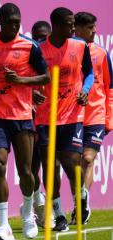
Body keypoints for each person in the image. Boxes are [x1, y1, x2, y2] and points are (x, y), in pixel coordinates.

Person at [0, 3, 49, 239]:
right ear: (1, 22)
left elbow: (46, 76)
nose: (16, 26)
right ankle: (4, 225)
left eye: (18, 22)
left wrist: (21, 81)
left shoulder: (30, 46)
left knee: (27, 172)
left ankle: (27, 214)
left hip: (22, 116)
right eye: (12, 22)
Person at [35, 7, 94, 231]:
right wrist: (34, 93)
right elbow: (31, 77)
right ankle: (59, 214)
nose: (73, 27)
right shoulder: (40, 50)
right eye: (70, 24)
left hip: (72, 115)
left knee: (70, 162)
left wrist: (85, 91)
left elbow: (89, 72)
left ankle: (81, 195)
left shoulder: (80, 46)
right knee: (50, 167)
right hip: (45, 117)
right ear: (57, 26)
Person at [71, 11, 113, 225]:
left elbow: (110, 88)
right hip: (72, 116)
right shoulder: (70, 50)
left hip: (96, 114)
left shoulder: (102, 54)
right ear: (76, 29)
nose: (95, 31)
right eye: (89, 28)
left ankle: (82, 202)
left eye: (95, 27)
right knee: (75, 162)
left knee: (88, 158)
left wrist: (109, 118)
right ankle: (80, 200)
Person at [30, 20, 52, 228]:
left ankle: (52, 209)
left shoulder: (55, 58)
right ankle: (38, 200)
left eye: (43, 37)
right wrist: (30, 94)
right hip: (27, 120)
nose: (40, 40)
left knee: (48, 167)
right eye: (36, 36)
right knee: (28, 170)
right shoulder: (29, 55)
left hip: (47, 122)